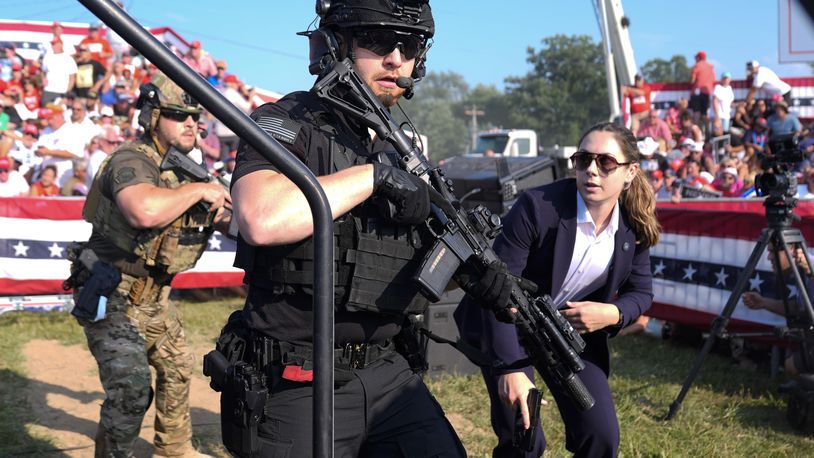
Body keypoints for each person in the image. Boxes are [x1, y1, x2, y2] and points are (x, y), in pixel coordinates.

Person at [221, 1, 464, 456]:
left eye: (409, 45)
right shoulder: (285, 119)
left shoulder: (401, 146)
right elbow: (260, 217)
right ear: (337, 45)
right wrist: (373, 178)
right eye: (378, 41)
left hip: (389, 372)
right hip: (298, 375)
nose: (396, 58)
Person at [456, 122, 659, 457]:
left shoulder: (633, 225)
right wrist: (509, 368)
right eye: (583, 160)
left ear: (630, 172)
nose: (592, 170)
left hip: (568, 337)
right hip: (507, 324)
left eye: (605, 162)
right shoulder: (538, 206)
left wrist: (613, 313)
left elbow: (642, 292)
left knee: (601, 436)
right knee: (525, 440)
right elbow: (498, 287)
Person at [70, 72, 231, 458]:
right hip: (112, 291)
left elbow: (230, 220)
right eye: (178, 114)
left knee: (178, 366)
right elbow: (142, 211)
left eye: (196, 116)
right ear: (153, 116)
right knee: (130, 389)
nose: (191, 122)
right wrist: (201, 190)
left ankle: (174, 448)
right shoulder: (131, 159)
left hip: (155, 297)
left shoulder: (186, 172)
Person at [743, 244, 814, 376]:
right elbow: (800, 308)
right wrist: (763, 303)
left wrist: (811, 270)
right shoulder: (800, 272)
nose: (769, 257)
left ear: (791, 251)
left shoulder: (809, 265)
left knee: (792, 367)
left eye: (773, 252)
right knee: (791, 365)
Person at [689, 51, 715, 125]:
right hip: (706, 93)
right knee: (704, 114)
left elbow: (692, 80)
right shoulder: (710, 67)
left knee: (696, 112)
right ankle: (707, 133)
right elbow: (713, 80)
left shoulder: (697, 66)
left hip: (697, 92)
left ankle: (696, 132)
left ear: (698, 58)